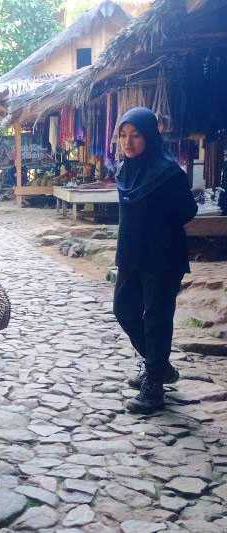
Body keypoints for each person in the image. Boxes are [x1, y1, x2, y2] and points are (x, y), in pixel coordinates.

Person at [112, 107, 198, 415]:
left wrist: (159, 222)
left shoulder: (168, 171)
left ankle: (154, 389)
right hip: (131, 254)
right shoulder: (124, 170)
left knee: (156, 319)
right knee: (122, 309)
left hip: (162, 256)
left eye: (135, 135)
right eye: (123, 135)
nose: (128, 142)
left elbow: (188, 211)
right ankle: (158, 367)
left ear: (149, 135)